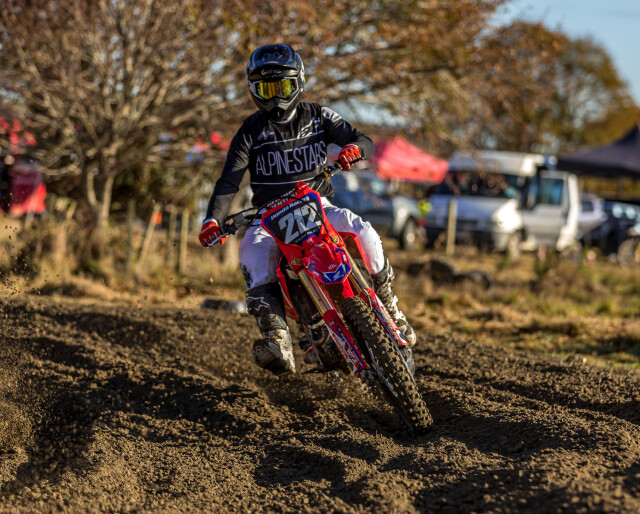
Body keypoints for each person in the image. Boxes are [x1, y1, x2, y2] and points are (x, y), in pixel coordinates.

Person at [199, 43, 415, 376]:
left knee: (363, 229)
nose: (276, 97)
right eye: (267, 89)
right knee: (251, 251)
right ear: (254, 90)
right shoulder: (249, 131)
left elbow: (363, 140)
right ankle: (278, 340)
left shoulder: (319, 116)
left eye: (283, 87)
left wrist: (353, 149)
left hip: (316, 204)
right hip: (268, 216)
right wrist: (213, 219)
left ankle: (389, 305)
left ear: (298, 83)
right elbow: (229, 180)